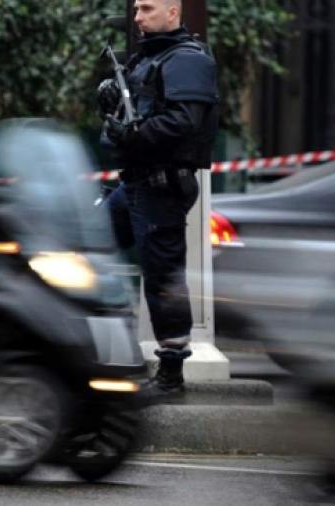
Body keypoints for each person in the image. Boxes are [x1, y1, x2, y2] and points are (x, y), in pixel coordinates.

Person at [98, 0, 219, 399]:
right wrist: (112, 101)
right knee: (91, 250)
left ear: (173, 12)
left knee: (163, 276)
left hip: (162, 185)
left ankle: (170, 375)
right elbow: (134, 113)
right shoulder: (147, 59)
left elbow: (185, 122)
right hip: (133, 183)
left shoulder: (187, 60)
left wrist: (133, 135)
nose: (137, 17)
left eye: (147, 9)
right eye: (135, 9)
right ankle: (102, 351)